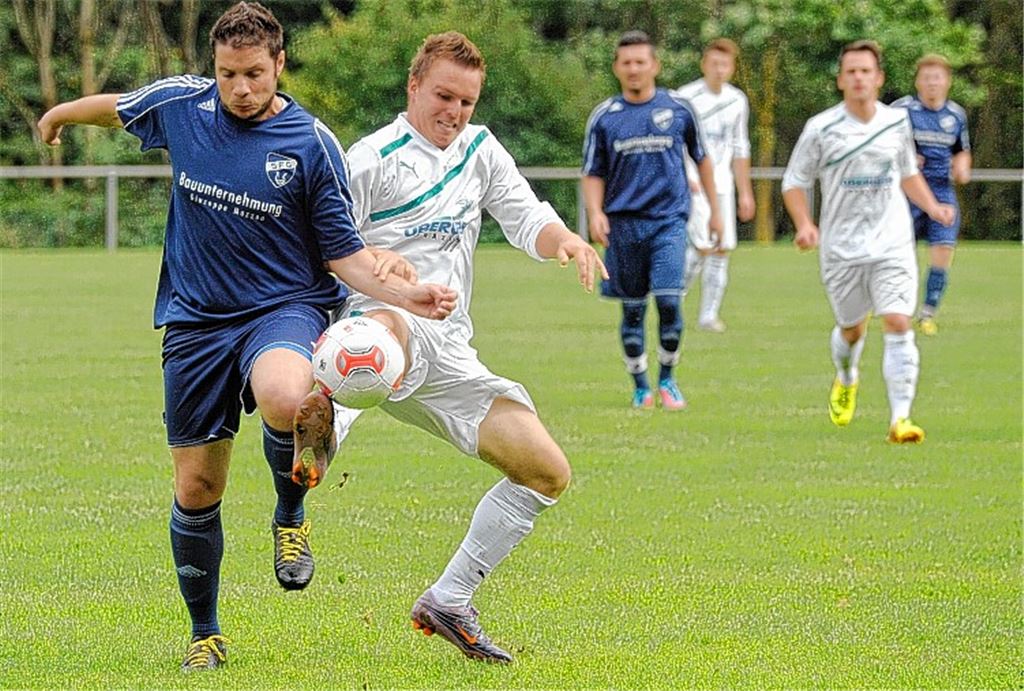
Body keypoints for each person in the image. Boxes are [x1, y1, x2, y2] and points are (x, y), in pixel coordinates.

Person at [36, 2, 456, 672]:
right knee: (198, 487)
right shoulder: (182, 105)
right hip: (195, 322)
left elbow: (344, 255)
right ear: (215, 66)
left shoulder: (310, 143)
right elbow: (117, 107)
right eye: (228, 74)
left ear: (279, 64)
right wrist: (59, 114)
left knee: (288, 397)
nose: (240, 88)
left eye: (254, 74)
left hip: (284, 308)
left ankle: (290, 515)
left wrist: (407, 296)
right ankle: (205, 633)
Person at [293, 31, 607, 663]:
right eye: (443, 96)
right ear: (414, 86)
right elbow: (323, 244)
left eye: (466, 101)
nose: (455, 112)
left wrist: (567, 241)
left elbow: (526, 218)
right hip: (381, 319)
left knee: (546, 472)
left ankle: (450, 599)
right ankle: (322, 430)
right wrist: (378, 259)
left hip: (452, 351)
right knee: (383, 336)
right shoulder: (371, 158)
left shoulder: (481, 151)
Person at [781, 40, 956, 443]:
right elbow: (794, 181)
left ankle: (900, 419)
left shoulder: (896, 122)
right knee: (852, 330)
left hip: (892, 241)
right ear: (841, 80)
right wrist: (805, 224)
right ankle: (846, 377)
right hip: (842, 248)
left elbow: (908, 173)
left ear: (879, 78)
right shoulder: (821, 128)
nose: (859, 78)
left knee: (898, 321)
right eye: (851, 72)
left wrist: (932, 207)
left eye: (866, 71)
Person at [581, 30, 721, 409]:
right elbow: (592, 172)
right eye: (626, 62)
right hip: (623, 225)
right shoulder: (605, 117)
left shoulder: (679, 110)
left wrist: (715, 212)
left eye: (640, 62)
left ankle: (668, 380)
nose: (634, 69)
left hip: (668, 222)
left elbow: (703, 159)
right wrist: (595, 213)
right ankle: (641, 385)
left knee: (669, 300)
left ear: (655, 65)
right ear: (616, 68)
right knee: (632, 309)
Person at [675, 38, 755, 333]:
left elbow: (740, 146)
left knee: (721, 249)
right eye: (714, 63)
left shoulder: (737, 100)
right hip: (694, 184)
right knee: (701, 246)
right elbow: (676, 142)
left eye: (725, 64)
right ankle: (673, 302)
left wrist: (745, 192)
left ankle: (708, 316)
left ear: (732, 68)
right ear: (704, 65)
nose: (719, 69)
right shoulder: (686, 97)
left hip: (722, 185)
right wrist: (685, 177)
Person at [891, 54, 972, 336]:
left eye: (937, 78)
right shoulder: (902, 110)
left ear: (947, 82)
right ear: (917, 82)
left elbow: (961, 150)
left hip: (941, 190)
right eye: (926, 78)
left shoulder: (956, 115)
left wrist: (962, 169)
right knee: (897, 253)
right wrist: (905, 157)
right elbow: (882, 141)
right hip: (907, 190)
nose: (932, 83)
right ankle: (892, 305)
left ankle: (927, 313)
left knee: (943, 250)